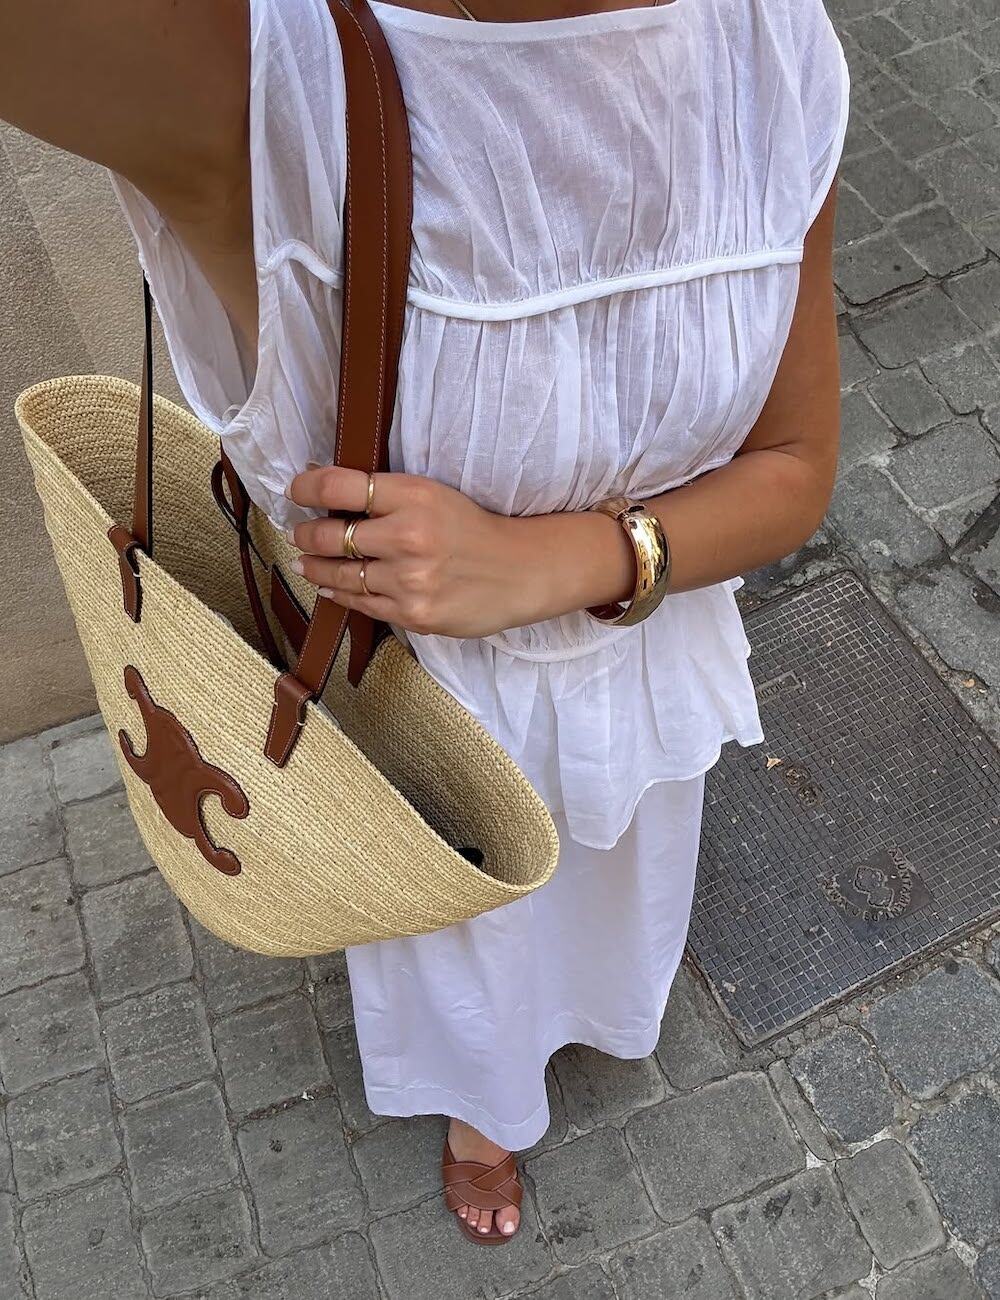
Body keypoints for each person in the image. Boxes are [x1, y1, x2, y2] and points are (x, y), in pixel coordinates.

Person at [1, 0, 848, 1245]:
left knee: (619, 873)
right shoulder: (262, 72)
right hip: (414, 705)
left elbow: (795, 464)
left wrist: (548, 560)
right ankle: (482, 1108)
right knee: (458, 941)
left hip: (644, 651)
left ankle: (593, 1015)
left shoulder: (768, 45)